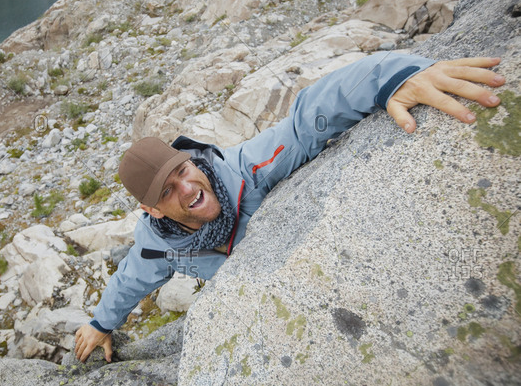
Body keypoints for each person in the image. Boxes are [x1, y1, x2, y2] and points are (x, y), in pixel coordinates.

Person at [74, 53, 505, 362]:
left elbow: (307, 118)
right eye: (169, 191)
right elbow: (130, 280)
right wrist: (100, 324)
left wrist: (394, 78)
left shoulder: (246, 167)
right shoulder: (157, 247)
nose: (189, 187)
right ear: (153, 212)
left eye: (185, 169)